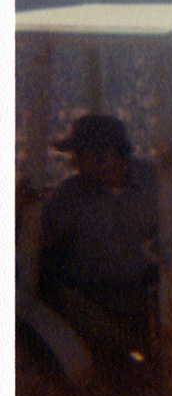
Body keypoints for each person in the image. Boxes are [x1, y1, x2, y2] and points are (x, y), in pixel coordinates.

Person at [37, 113, 160, 350]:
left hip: (140, 292)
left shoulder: (154, 182)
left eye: (78, 156)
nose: (73, 164)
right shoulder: (70, 195)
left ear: (105, 155)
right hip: (90, 299)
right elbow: (40, 238)